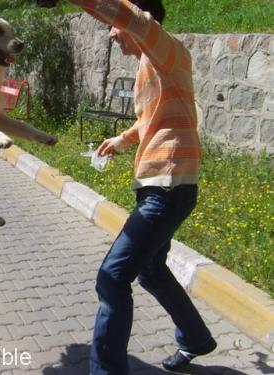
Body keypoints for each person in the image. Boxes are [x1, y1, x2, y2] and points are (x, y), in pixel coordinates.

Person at [65, 0, 217, 374]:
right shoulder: (153, 64)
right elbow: (150, 119)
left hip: (167, 186)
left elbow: (124, 15)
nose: (111, 33)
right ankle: (196, 339)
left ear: (141, 20)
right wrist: (121, 140)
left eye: (115, 27)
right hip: (164, 185)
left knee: (113, 277)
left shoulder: (165, 47)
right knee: (150, 270)